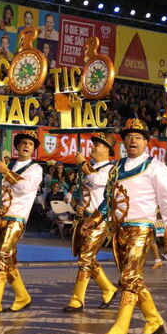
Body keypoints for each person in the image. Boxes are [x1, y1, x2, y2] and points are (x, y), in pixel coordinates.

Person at [93, 119, 167, 334]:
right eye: (129, 137)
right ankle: (153, 319)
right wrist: (93, 219)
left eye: (138, 137)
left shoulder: (156, 167)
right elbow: (108, 199)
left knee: (129, 278)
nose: (133, 140)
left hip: (142, 228)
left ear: (146, 142)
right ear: (123, 142)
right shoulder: (116, 167)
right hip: (120, 229)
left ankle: (120, 328)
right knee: (132, 278)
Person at [0, 132, 43, 317]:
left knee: (1, 258)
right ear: (17, 146)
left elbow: (24, 187)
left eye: (30, 144)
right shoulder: (8, 165)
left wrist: (5, 172)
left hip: (16, 218)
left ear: (33, 149)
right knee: (9, 261)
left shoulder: (36, 169)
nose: (26, 146)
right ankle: (22, 296)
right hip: (1, 217)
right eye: (23, 142)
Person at [63, 132, 119, 312]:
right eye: (93, 144)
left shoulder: (111, 169)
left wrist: (82, 164)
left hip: (99, 220)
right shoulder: (90, 167)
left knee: (85, 258)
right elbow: (81, 192)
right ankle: (108, 289)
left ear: (108, 150)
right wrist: (77, 205)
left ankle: (77, 299)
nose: (93, 147)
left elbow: (97, 179)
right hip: (84, 218)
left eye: (98, 145)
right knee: (87, 258)